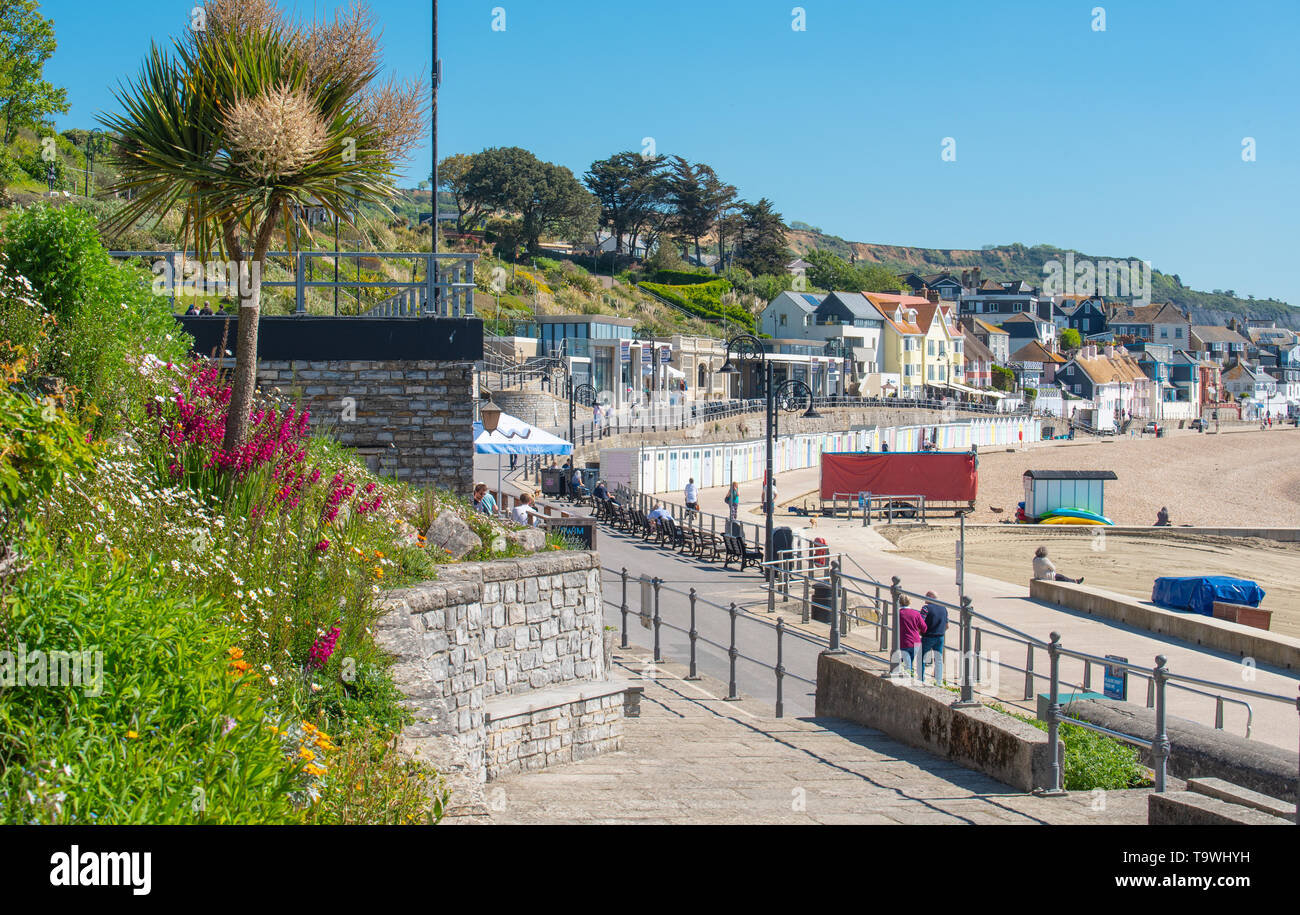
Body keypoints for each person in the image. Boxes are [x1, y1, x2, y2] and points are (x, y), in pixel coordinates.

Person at [919, 591, 948, 685]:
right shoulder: (944, 608)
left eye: (926, 596)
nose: (925, 598)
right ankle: (938, 681)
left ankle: (921, 679)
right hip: (940, 637)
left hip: (927, 636)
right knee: (938, 660)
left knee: (922, 658)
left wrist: (920, 632)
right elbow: (947, 626)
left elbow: (920, 622)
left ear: (930, 597)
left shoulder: (926, 608)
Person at [898, 595, 927, 677]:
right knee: (910, 662)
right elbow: (924, 627)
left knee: (907, 665)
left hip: (904, 642)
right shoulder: (916, 613)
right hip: (916, 641)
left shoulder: (899, 614)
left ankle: (909, 681)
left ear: (899, 602)